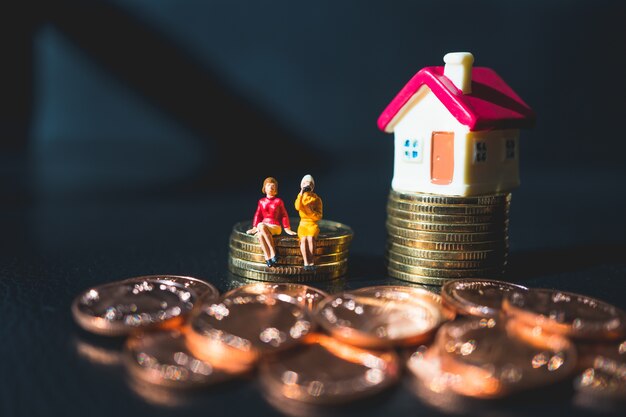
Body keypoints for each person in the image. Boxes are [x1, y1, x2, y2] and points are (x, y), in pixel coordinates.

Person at [246, 177, 296, 267]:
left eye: (273, 186)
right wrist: (254, 227)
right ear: (264, 188)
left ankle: (273, 251)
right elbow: (258, 214)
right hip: (264, 227)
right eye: (269, 185)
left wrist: (287, 228)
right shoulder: (261, 201)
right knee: (260, 234)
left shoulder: (278, 201)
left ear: (276, 189)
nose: (271, 187)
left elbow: (284, 215)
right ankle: (268, 257)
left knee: (260, 226)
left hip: (275, 226)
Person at [294, 174, 323, 271]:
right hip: (303, 224)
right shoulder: (300, 197)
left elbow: (319, 216)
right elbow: (297, 207)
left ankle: (311, 262)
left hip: (312, 224)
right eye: (305, 183)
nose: (307, 185)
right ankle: (306, 262)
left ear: (312, 186)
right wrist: (301, 193)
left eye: (310, 184)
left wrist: (311, 211)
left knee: (310, 238)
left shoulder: (317, 199)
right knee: (303, 240)